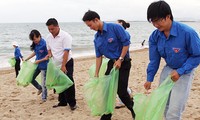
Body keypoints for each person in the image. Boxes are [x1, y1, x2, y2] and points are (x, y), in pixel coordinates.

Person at [144, 1, 200, 120]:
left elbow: (197, 56)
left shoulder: (187, 33)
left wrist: (180, 71)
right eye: (152, 21)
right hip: (168, 68)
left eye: (158, 20)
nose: (156, 25)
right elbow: (154, 60)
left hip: (185, 69)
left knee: (174, 112)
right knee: (163, 105)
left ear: (168, 16)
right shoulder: (155, 36)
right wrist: (149, 78)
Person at [82, 10, 135, 120]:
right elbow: (98, 56)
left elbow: (126, 43)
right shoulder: (97, 38)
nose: (90, 28)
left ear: (96, 20)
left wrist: (120, 59)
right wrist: (96, 72)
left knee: (121, 92)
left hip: (124, 62)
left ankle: (133, 108)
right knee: (106, 90)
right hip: (112, 63)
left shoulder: (115, 28)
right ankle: (107, 114)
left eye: (90, 25)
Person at [45, 18, 77, 110]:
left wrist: (63, 66)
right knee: (59, 82)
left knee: (68, 81)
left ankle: (72, 103)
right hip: (56, 63)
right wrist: (49, 54)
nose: (51, 31)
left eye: (52, 29)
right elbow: (49, 48)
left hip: (67, 62)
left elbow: (66, 52)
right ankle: (62, 102)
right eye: (49, 29)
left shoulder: (66, 36)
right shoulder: (48, 37)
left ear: (57, 26)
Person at [25, 30, 49, 103]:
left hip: (45, 65)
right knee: (31, 78)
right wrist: (27, 59)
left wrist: (40, 60)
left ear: (39, 36)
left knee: (44, 83)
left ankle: (44, 98)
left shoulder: (45, 44)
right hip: (37, 65)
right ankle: (39, 88)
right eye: (33, 40)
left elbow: (48, 56)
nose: (34, 41)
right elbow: (35, 52)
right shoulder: (36, 44)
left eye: (35, 39)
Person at [115, 19, 133, 109]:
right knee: (119, 83)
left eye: (117, 25)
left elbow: (124, 47)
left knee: (120, 84)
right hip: (118, 60)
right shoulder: (118, 34)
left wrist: (120, 59)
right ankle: (128, 93)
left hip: (123, 61)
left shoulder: (125, 34)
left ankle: (124, 99)